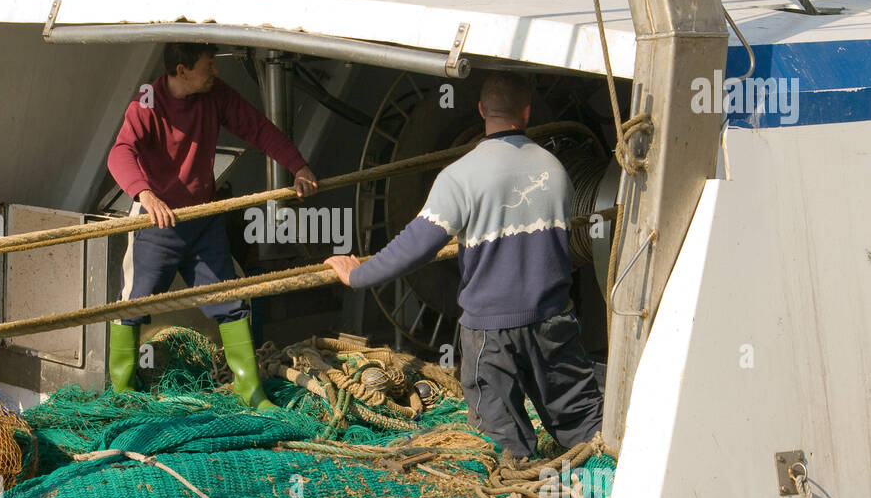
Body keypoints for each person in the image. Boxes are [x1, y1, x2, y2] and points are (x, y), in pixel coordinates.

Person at [324, 73, 603, 458]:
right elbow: (564, 246)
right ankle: (605, 495)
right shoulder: (555, 169)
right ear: (526, 112)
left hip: (491, 332)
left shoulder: (459, 176)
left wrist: (358, 274)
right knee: (586, 425)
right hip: (553, 320)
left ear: (481, 111)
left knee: (501, 441)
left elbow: (416, 246)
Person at [107, 42, 318, 409]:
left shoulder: (215, 94)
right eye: (209, 65)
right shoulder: (146, 101)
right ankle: (123, 396)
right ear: (182, 70)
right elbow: (120, 152)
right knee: (132, 308)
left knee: (231, 303)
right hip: (158, 224)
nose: (216, 71)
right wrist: (145, 195)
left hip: (204, 221)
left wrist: (297, 165)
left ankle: (250, 393)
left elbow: (258, 128)